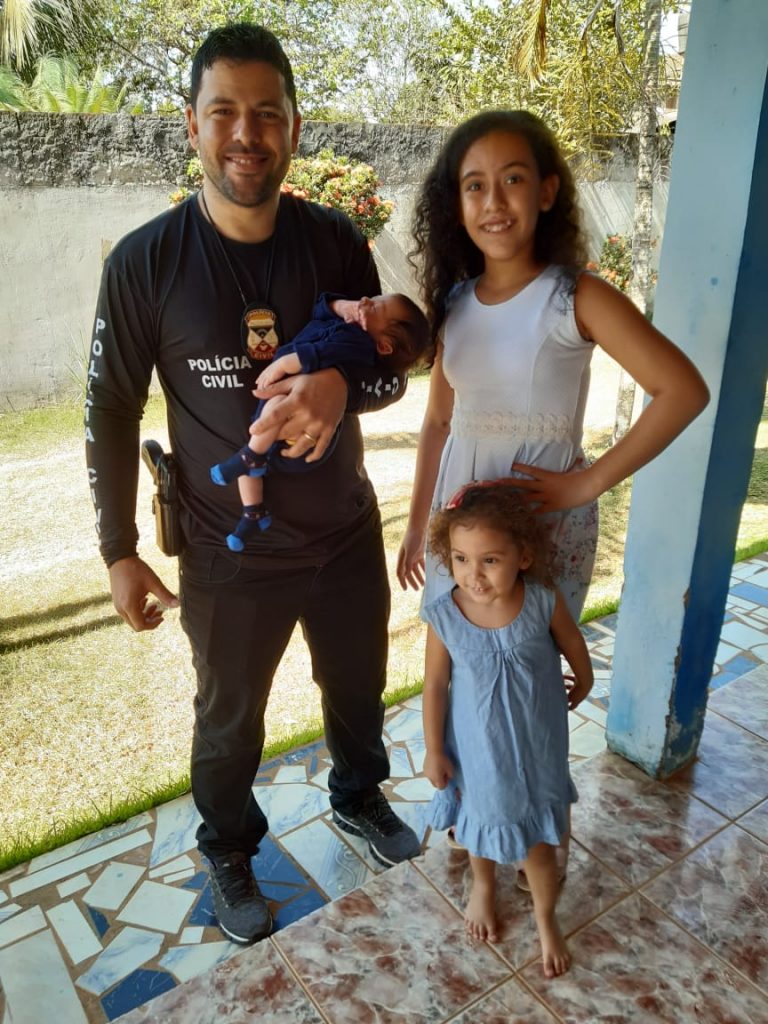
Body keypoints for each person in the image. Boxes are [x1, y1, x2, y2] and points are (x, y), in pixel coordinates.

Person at [85, 22, 421, 948]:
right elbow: (111, 409)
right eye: (225, 111)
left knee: (357, 685)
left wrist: (342, 381)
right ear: (192, 124)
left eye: (267, 114)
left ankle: (358, 795)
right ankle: (229, 847)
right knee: (229, 719)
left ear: (294, 129)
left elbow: (391, 369)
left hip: (343, 531)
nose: (247, 133)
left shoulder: (335, 241)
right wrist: (118, 549)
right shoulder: (145, 263)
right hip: (229, 549)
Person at [396, 109, 709, 621]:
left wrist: (588, 484)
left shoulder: (576, 297)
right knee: (455, 652)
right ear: (456, 205)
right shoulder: (454, 304)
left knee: (529, 658)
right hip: (459, 528)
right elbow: (437, 421)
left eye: (513, 179)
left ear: (546, 192)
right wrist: (415, 525)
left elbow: (683, 391)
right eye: (475, 186)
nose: (494, 202)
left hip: (539, 528)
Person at [422, 482, 593, 975]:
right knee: (480, 821)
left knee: (540, 844)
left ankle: (545, 917)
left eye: (490, 560)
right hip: (479, 751)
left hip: (539, 747)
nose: (473, 575)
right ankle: (483, 885)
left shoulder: (542, 601)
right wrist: (434, 749)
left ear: (523, 556)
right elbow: (434, 685)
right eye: (460, 559)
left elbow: (573, 643)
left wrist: (584, 679)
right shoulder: (445, 617)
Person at [210, 291, 430, 550]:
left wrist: (288, 363)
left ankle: (250, 458)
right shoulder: (349, 321)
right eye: (374, 298)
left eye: (377, 307)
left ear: (383, 346)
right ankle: (253, 513)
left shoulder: (359, 343)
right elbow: (319, 311)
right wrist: (340, 305)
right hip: (274, 422)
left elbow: (319, 353)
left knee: (268, 421)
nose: (366, 300)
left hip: (301, 434)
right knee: (251, 461)